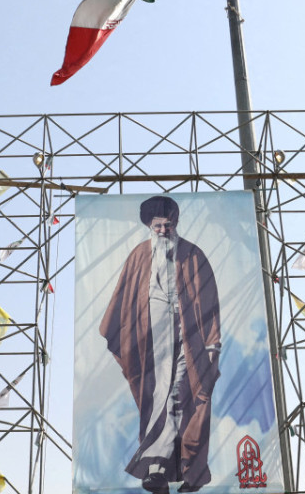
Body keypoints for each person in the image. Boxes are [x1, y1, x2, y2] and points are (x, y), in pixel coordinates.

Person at [99, 196, 221, 494]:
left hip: (187, 339)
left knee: (179, 395)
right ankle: (168, 473)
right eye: (157, 226)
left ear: (175, 224)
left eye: (168, 225)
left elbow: (210, 304)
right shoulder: (139, 255)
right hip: (150, 339)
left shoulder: (193, 254)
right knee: (156, 400)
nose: (163, 230)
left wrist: (211, 343)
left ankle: (157, 468)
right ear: (149, 227)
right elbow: (123, 302)